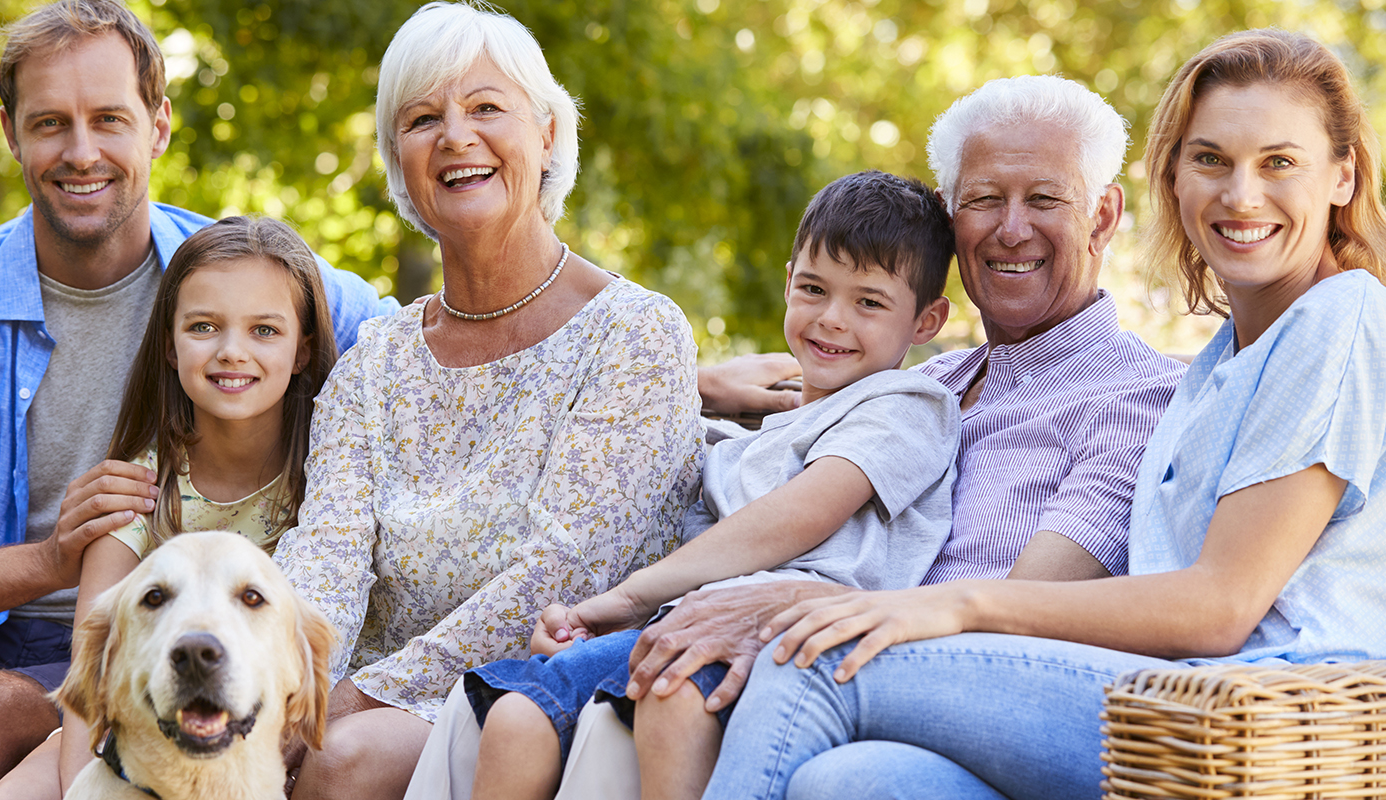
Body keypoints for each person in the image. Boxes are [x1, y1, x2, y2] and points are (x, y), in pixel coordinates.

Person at [703, 29, 1386, 800]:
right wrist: (712, 382)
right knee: (851, 783)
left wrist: (951, 603)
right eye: (1209, 159)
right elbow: (836, 384)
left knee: (813, 664)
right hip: (1169, 702)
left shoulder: (1344, 319)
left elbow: (1222, 605)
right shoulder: (1224, 364)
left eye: (1279, 163)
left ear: (1343, 175)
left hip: (1267, 724)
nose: (1240, 195)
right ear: (1175, 180)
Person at [407, 74, 1186, 800]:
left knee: (731, 724)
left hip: (931, 686)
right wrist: (702, 382)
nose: (1012, 228)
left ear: (1105, 215)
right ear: (953, 219)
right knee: (515, 706)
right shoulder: (908, 377)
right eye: (984, 200)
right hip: (783, 641)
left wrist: (800, 606)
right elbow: (743, 446)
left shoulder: (1137, 397)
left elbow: (1024, 606)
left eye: (1045, 199)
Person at [0, 2, 395, 798]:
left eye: (109, 119)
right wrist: (47, 561)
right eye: (51, 122)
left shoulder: (231, 280)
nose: (81, 151)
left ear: (157, 126)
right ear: (10, 131)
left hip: (160, 642)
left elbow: (416, 350)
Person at [271, 4, 704, 799]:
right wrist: (286, 697)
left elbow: (566, 573)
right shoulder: (374, 364)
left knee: (342, 762)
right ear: (398, 161)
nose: (455, 137)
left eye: (485, 108)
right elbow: (322, 563)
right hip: (355, 694)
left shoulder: (636, 336)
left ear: (545, 133)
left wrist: (348, 704)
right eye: (423, 118)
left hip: (529, 690)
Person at [459, 171, 958, 800]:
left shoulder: (910, 404)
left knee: (672, 694)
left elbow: (801, 515)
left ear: (927, 320)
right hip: (683, 622)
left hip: (794, 632)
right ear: (787, 283)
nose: (832, 319)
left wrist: (622, 599)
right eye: (813, 288)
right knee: (515, 714)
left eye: (869, 302)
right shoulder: (739, 442)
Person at [0, 215, 339, 798]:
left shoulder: (333, 475)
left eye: (265, 330)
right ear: (170, 347)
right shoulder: (136, 487)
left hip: (266, 746)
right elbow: (94, 672)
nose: (231, 352)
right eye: (203, 326)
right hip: (133, 747)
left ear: (303, 351)